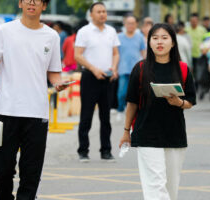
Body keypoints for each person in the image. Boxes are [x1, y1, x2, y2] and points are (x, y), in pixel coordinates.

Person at [0, 0, 68, 199]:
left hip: (37, 114)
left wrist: (58, 84)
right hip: (6, 111)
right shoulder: (4, 31)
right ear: (20, 3)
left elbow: (54, 72)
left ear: (43, 6)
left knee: (31, 172)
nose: (31, 2)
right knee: (2, 170)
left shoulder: (51, 36)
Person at [119, 23, 196, 200]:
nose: (159, 42)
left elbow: (190, 101)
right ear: (149, 42)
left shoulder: (183, 69)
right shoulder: (140, 68)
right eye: (155, 38)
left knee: (171, 187)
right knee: (155, 184)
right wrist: (125, 131)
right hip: (146, 132)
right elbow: (132, 103)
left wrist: (178, 102)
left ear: (173, 43)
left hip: (174, 133)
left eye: (164, 38)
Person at [74, 2, 120, 162]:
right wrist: (94, 69)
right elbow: (78, 55)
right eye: (99, 11)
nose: (102, 14)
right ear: (91, 14)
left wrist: (114, 68)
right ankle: (83, 150)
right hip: (90, 77)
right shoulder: (84, 32)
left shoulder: (111, 31)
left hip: (107, 78)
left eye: (104, 11)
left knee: (106, 117)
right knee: (86, 115)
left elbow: (115, 53)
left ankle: (106, 150)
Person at [116, 15, 146, 121]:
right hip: (123, 69)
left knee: (136, 93)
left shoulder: (140, 37)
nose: (130, 25)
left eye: (133, 23)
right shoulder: (119, 37)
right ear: (125, 24)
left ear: (136, 24)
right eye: (128, 23)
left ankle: (135, 113)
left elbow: (143, 52)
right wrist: (114, 68)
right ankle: (120, 110)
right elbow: (115, 54)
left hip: (137, 70)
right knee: (122, 93)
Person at [186, 13, 207, 84]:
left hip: (199, 55)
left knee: (198, 72)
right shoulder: (187, 30)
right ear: (190, 21)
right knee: (190, 71)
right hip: (190, 55)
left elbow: (206, 41)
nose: (193, 22)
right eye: (192, 21)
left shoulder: (202, 30)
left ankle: (197, 84)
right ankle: (191, 83)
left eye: (195, 21)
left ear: (197, 21)